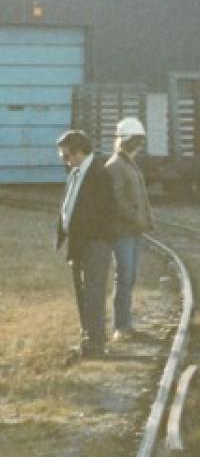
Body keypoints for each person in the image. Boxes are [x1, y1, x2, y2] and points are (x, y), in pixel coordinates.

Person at [56, 130, 115, 359]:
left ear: (79, 152)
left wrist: (87, 239)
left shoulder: (99, 174)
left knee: (93, 293)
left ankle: (96, 345)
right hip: (80, 243)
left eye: (66, 155)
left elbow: (103, 213)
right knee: (84, 294)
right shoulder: (78, 172)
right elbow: (69, 203)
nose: (64, 160)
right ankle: (88, 340)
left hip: (94, 244)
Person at [105, 117, 155, 341]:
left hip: (132, 231)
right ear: (127, 141)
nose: (140, 146)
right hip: (122, 231)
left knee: (129, 277)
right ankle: (120, 327)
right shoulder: (116, 166)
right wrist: (137, 218)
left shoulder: (127, 164)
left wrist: (144, 220)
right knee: (124, 277)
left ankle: (126, 324)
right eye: (137, 141)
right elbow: (116, 201)